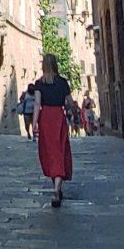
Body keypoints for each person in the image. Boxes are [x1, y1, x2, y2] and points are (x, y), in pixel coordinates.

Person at [33, 52, 74, 207]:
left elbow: (37, 104)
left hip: (45, 118)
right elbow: (70, 102)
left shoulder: (39, 84)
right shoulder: (62, 83)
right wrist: (73, 111)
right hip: (58, 117)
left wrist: (35, 123)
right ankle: (57, 188)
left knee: (49, 152)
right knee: (60, 151)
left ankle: (56, 186)